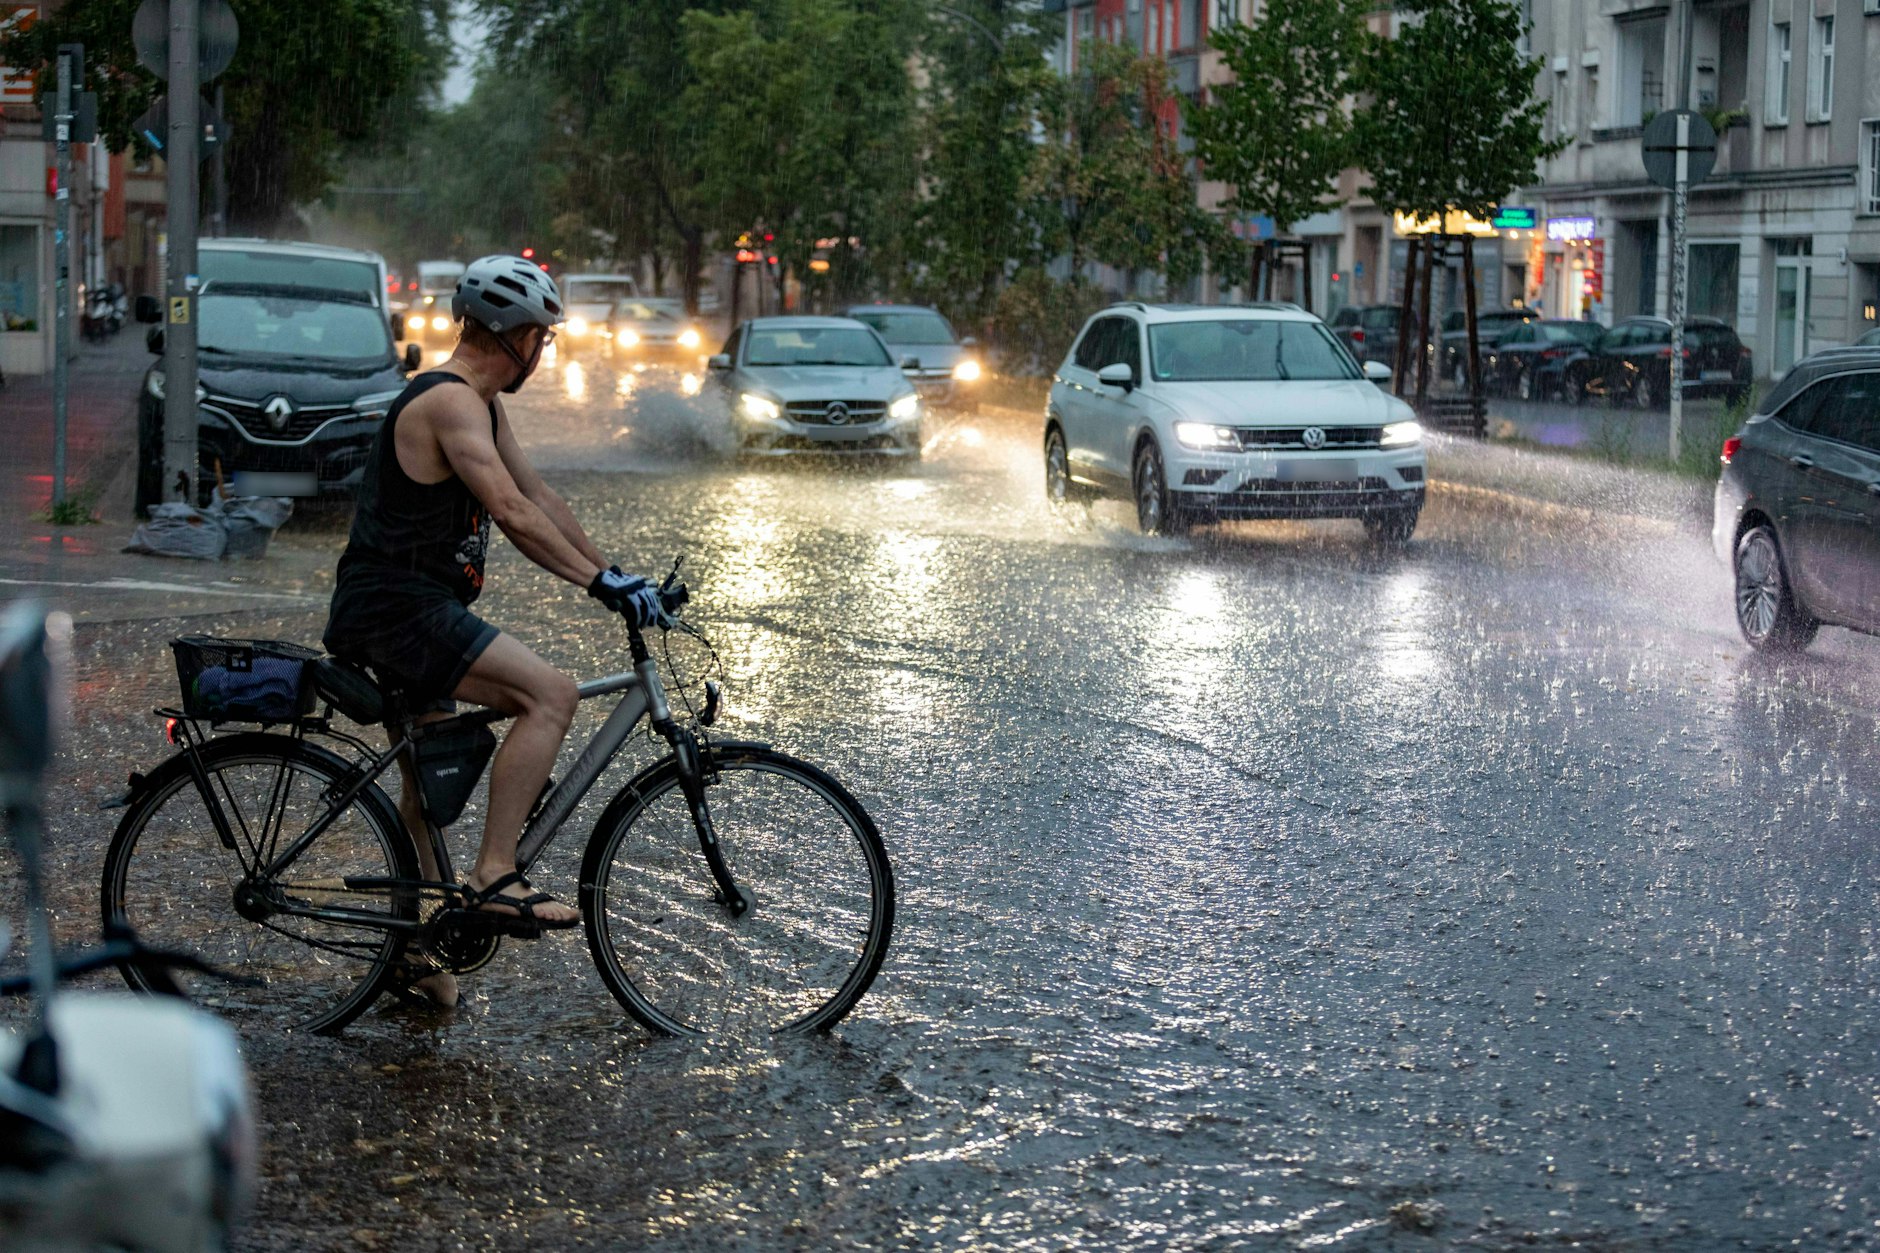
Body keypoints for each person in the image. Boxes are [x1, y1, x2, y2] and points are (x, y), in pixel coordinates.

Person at [322, 254, 667, 1006]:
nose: (543, 354)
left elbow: (538, 493)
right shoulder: (448, 402)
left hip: (407, 607)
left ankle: (416, 954)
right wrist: (596, 584)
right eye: (541, 339)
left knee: (422, 788)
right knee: (550, 694)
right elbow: (511, 513)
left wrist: (618, 577)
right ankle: (494, 870)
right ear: (512, 337)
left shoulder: (484, 404)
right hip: (398, 610)